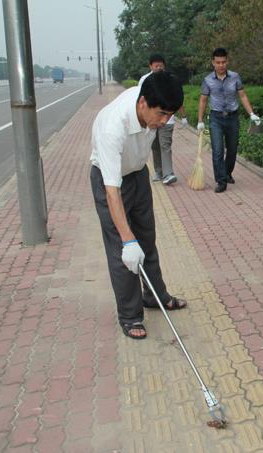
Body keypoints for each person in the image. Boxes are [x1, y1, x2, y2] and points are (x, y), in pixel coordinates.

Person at [90, 71, 188, 340]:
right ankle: (130, 315)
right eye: (162, 114)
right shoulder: (113, 128)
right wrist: (127, 239)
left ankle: (155, 296)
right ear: (143, 103)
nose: (165, 121)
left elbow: (157, 81)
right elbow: (112, 192)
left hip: (137, 173)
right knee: (124, 250)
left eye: (170, 115)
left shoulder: (151, 97)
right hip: (110, 180)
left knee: (146, 238)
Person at [197, 47, 261, 193]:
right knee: (218, 151)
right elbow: (203, 100)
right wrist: (200, 120)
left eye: (223, 62)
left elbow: (242, 95)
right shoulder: (207, 80)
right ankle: (221, 181)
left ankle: (227, 172)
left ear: (227, 61)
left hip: (233, 118)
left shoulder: (235, 77)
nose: (221, 65)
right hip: (216, 118)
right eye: (218, 62)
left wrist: (251, 113)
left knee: (232, 149)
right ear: (213, 62)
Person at [138, 54, 188, 185]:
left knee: (165, 145)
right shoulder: (145, 80)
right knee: (154, 146)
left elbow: (178, 99)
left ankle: (168, 174)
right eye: (156, 66)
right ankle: (158, 172)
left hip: (167, 119)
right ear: (150, 66)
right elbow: (139, 100)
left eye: (161, 66)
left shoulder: (170, 80)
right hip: (152, 119)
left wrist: (183, 116)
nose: (159, 68)